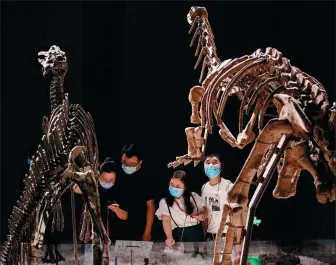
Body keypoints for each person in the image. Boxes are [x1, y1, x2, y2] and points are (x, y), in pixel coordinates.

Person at [201, 154, 247, 264]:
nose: (211, 164)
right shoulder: (204, 187)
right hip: (211, 237)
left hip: (227, 238)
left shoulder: (228, 186)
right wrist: (204, 238)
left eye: (215, 162)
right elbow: (207, 213)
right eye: (207, 162)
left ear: (221, 166)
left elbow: (238, 214)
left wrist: (238, 243)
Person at [108, 143, 155, 241]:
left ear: (140, 163)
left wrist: (147, 233)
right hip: (115, 231)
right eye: (124, 163)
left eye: (132, 165)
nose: (127, 166)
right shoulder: (115, 171)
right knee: (117, 256)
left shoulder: (147, 178)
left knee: (140, 256)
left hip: (138, 231)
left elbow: (150, 206)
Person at [73, 158, 126, 243]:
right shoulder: (93, 186)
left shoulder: (119, 191)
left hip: (113, 237)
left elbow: (125, 216)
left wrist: (116, 209)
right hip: (91, 235)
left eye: (111, 180)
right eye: (104, 179)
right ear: (99, 175)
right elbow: (76, 189)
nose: (107, 182)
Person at [156, 170, 207, 247]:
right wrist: (169, 237)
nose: (174, 188)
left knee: (199, 258)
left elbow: (204, 210)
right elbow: (166, 221)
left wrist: (202, 215)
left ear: (185, 187)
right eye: (171, 185)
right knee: (182, 258)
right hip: (179, 234)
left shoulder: (193, 196)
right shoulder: (164, 202)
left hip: (197, 233)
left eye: (178, 186)